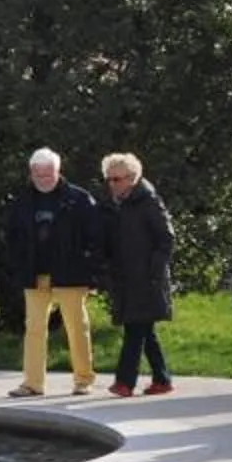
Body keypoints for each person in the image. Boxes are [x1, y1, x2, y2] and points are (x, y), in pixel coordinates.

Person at [2, 147, 106, 399]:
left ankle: (83, 380)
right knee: (34, 329)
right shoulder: (22, 201)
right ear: (31, 173)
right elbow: (12, 236)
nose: (43, 181)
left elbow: (96, 237)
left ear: (59, 172)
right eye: (38, 176)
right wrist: (18, 264)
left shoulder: (78, 199)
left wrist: (90, 269)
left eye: (48, 175)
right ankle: (32, 383)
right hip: (35, 273)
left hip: (70, 272)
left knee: (76, 327)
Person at [99, 154, 175, 397]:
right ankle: (162, 379)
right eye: (108, 179)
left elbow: (166, 239)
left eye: (117, 179)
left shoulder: (149, 202)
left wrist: (154, 270)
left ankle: (124, 382)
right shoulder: (115, 205)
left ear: (132, 178)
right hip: (125, 278)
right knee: (144, 330)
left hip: (147, 279)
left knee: (135, 329)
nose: (112, 184)